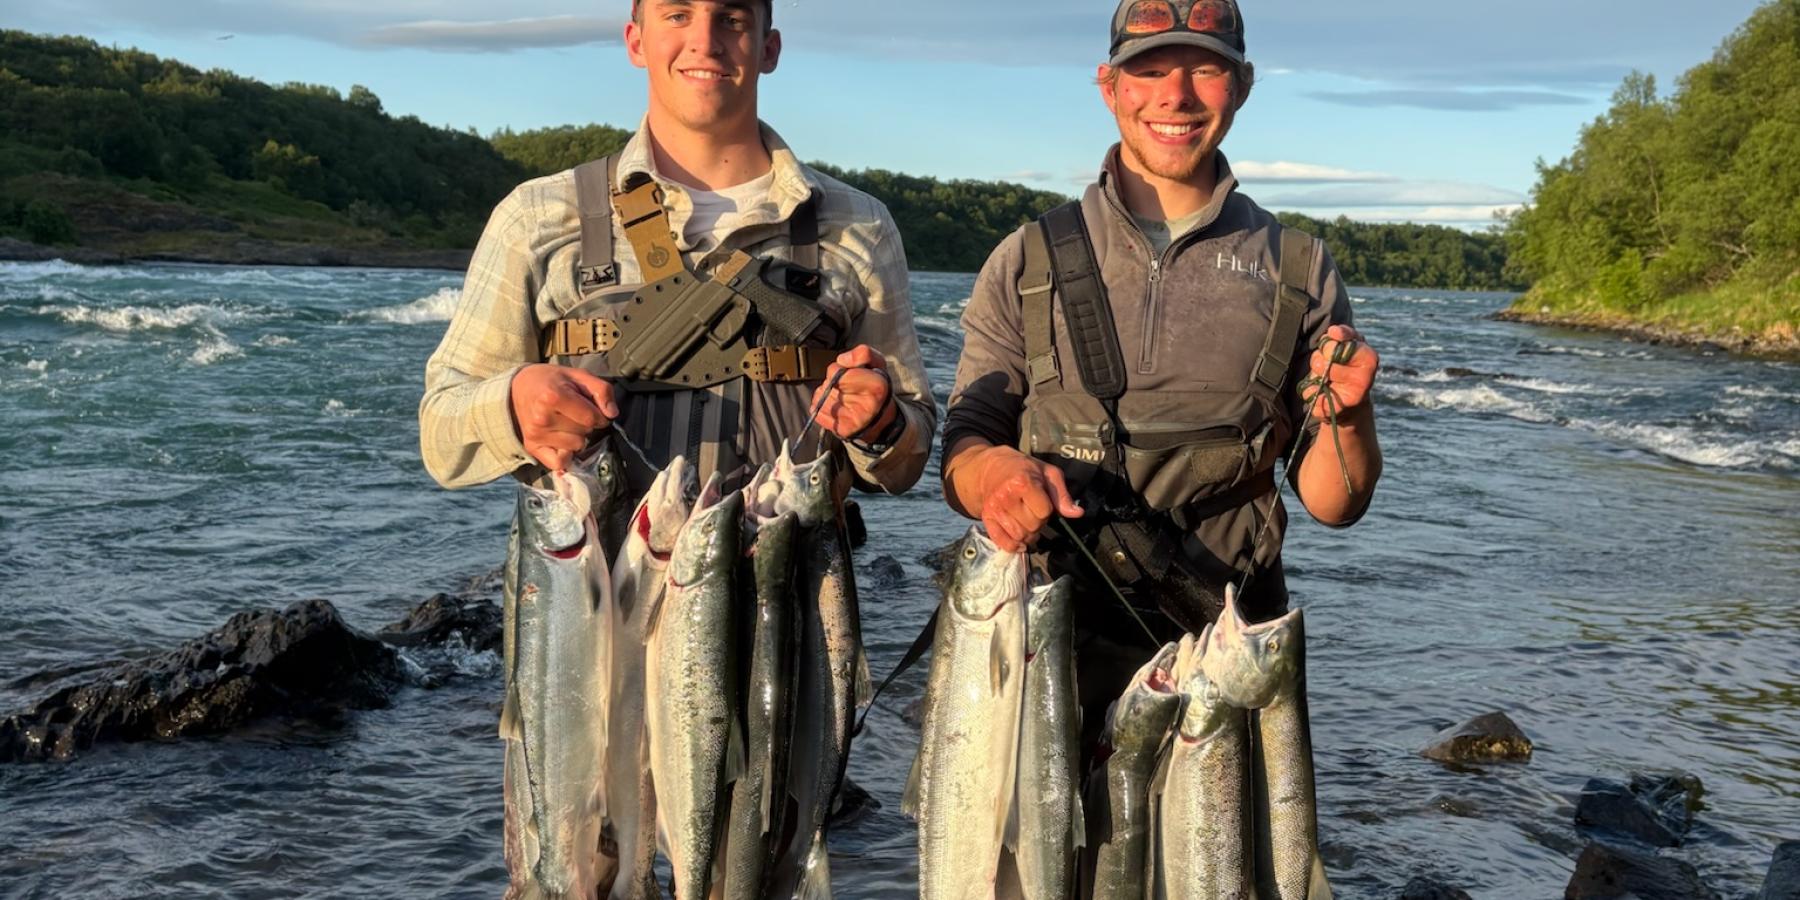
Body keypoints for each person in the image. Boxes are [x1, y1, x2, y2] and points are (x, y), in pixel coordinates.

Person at [417, 0, 935, 893]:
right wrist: (511, 403)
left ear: (769, 45)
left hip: (774, 637)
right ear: (636, 39)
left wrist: (882, 421)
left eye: (732, 17)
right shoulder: (536, 217)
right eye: (677, 13)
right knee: (572, 873)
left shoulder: (858, 228)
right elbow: (441, 428)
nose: (705, 40)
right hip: (588, 630)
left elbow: (911, 449)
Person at [939, 0, 1382, 748]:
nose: (1175, 96)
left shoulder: (1300, 268)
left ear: (1241, 86)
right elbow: (965, 447)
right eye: (1149, 70)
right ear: (1109, 86)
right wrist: (997, 477)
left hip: (1228, 658)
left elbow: (1336, 505)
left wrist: (1348, 416)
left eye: (1204, 69)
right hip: (1043, 642)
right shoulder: (1025, 258)